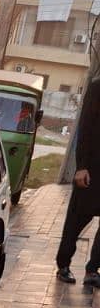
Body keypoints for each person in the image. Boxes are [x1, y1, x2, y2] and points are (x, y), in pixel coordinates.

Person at [56, 78, 100, 287]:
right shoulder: (97, 87)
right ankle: (63, 264)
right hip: (92, 169)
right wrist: (81, 166)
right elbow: (86, 127)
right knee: (76, 220)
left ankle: (93, 270)